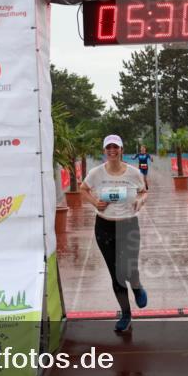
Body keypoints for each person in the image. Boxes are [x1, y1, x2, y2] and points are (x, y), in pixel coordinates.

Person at [81, 134, 148, 333]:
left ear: (121, 150)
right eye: (108, 147)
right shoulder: (96, 173)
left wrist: (139, 201)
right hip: (104, 227)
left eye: (115, 147)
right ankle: (126, 313)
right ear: (104, 150)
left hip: (128, 226)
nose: (112, 150)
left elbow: (144, 191)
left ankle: (136, 286)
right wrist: (95, 202)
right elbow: (84, 189)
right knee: (116, 274)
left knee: (130, 269)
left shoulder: (134, 173)